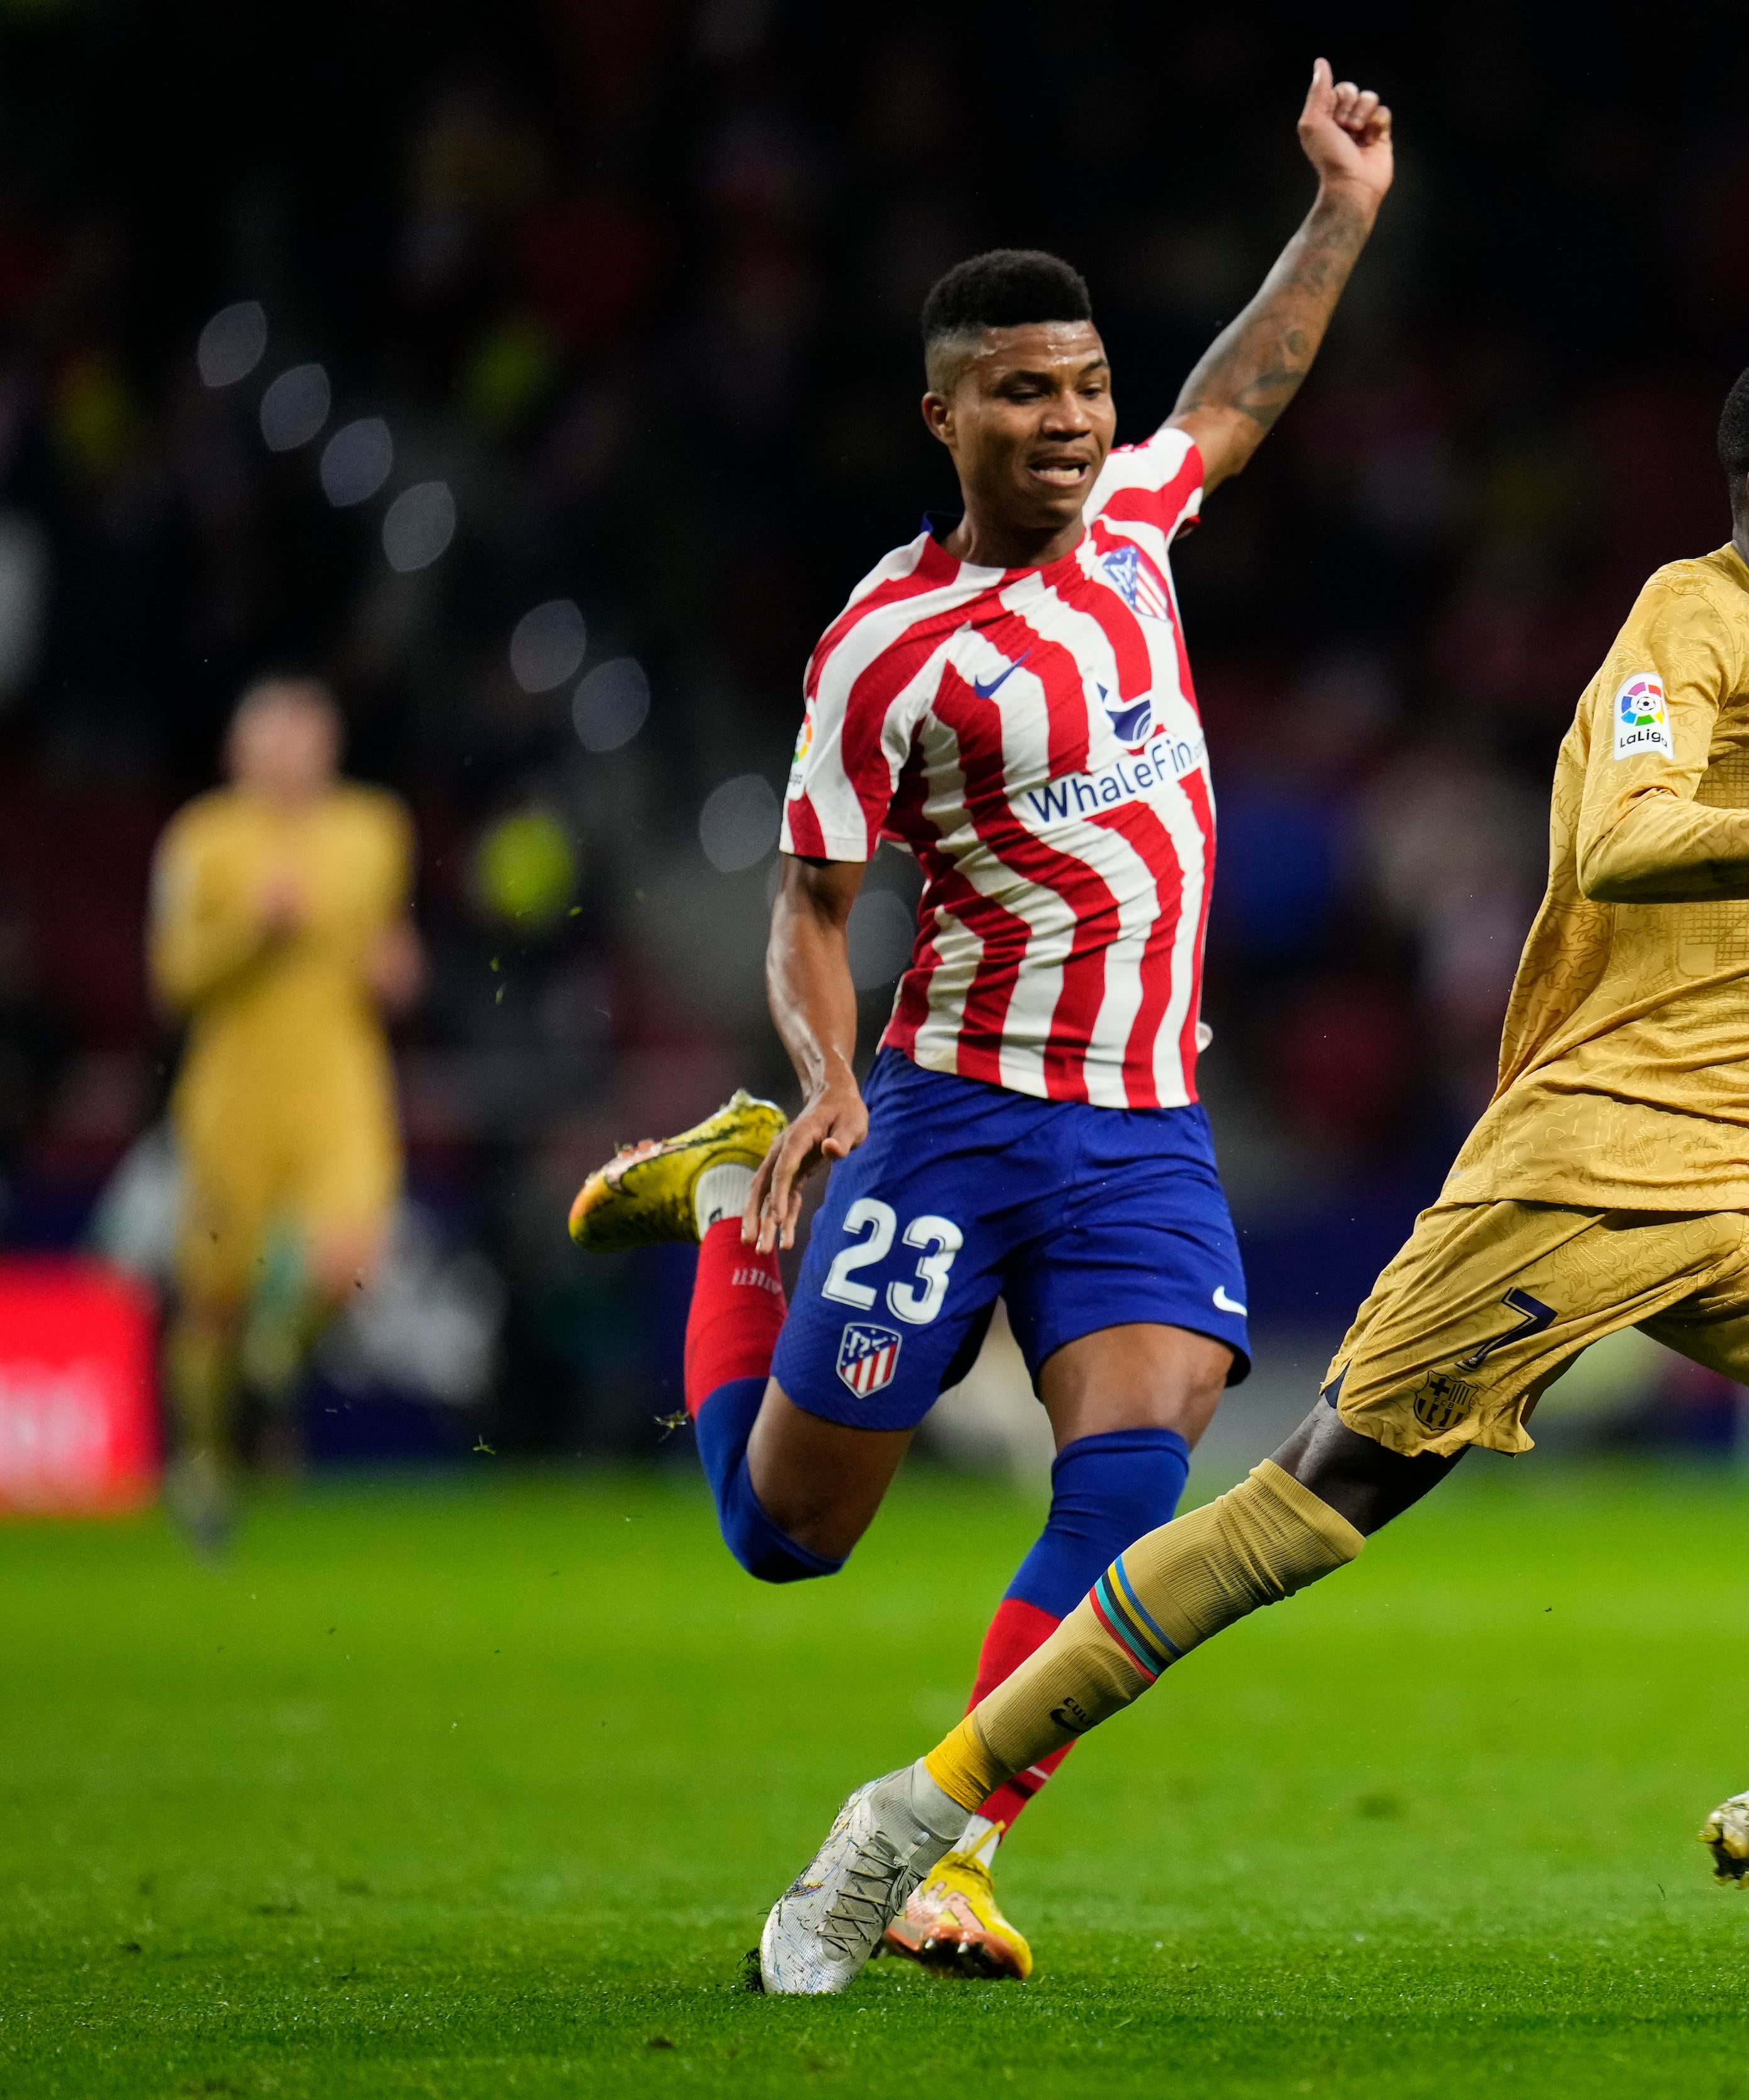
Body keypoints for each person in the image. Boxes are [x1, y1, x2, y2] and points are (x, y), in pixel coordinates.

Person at [745, 338, 1749, 1997]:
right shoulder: (1693, 622)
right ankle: (906, 1816)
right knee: (1298, 1520)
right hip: (1587, 1165)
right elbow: (1618, 837)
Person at [563, 60, 1392, 1979]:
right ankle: (721, 1215)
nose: (1072, 421)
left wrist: (1340, 212)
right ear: (941, 414)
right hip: (947, 1114)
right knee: (789, 1533)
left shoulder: (1136, 526)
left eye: (1086, 386)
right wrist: (825, 1078)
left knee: (1135, 1479)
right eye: (1025, 391)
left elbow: (1240, 392)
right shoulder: (885, 648)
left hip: (1139, 1128)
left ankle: (946, 1843)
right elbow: (809, 901)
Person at [146, 674, 421, 1551]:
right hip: (233, 1090)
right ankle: (204, 1461)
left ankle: (276, 1361)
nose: (293, 754)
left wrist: (397, 971)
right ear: (239, 750)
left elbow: (388, 949)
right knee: (213, 1296)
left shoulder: (375, 831)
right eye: (275, 738)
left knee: (349, 1257)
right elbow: (171, 977)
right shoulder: (202, 839)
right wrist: (247, 932)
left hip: (339, 1079)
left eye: (308, 737)